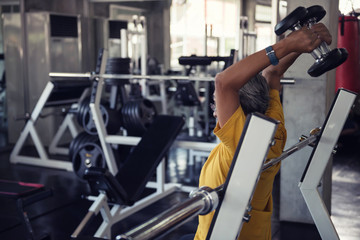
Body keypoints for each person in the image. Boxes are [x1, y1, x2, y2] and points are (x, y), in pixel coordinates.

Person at [193, 23, 332, 240]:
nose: (215, 109)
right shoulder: (272, 127)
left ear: (236, 107)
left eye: (216, 104)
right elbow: (273, 72)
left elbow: (223, 82)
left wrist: (287, 44)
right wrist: (306, 41)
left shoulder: (240, 143)